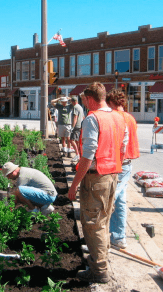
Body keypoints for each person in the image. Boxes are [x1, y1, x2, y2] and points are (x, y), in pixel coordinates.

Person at [68, 82, 127, 283]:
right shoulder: (118, 118)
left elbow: (87, 155)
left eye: (84, 100)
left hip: (96, 178)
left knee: (94, 225)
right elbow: (123, 148)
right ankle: (101, 261)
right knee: (103, 221)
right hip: (112, 176)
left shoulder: (92, 119)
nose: (83, 103)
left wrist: (75, 184)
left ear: (89, 98)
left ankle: (99, 271)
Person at [106, 89, 140, 249]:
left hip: (118, 163)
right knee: (120, 199)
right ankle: (118, 236)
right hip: (127, 163)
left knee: (112, 198)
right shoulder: (130, 118)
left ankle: (107, 237)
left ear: (111, 102)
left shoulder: (115, 117)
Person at [70, 96, 84, 162]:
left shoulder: (75, 107)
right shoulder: (80, 107)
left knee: (72, 140)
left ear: (73, 101)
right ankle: (79, 154)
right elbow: (83, 117)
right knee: (77, 141)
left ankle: (77, 154)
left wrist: (72, 127)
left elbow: (75, 117)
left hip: (76, 127)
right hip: (80, 126)